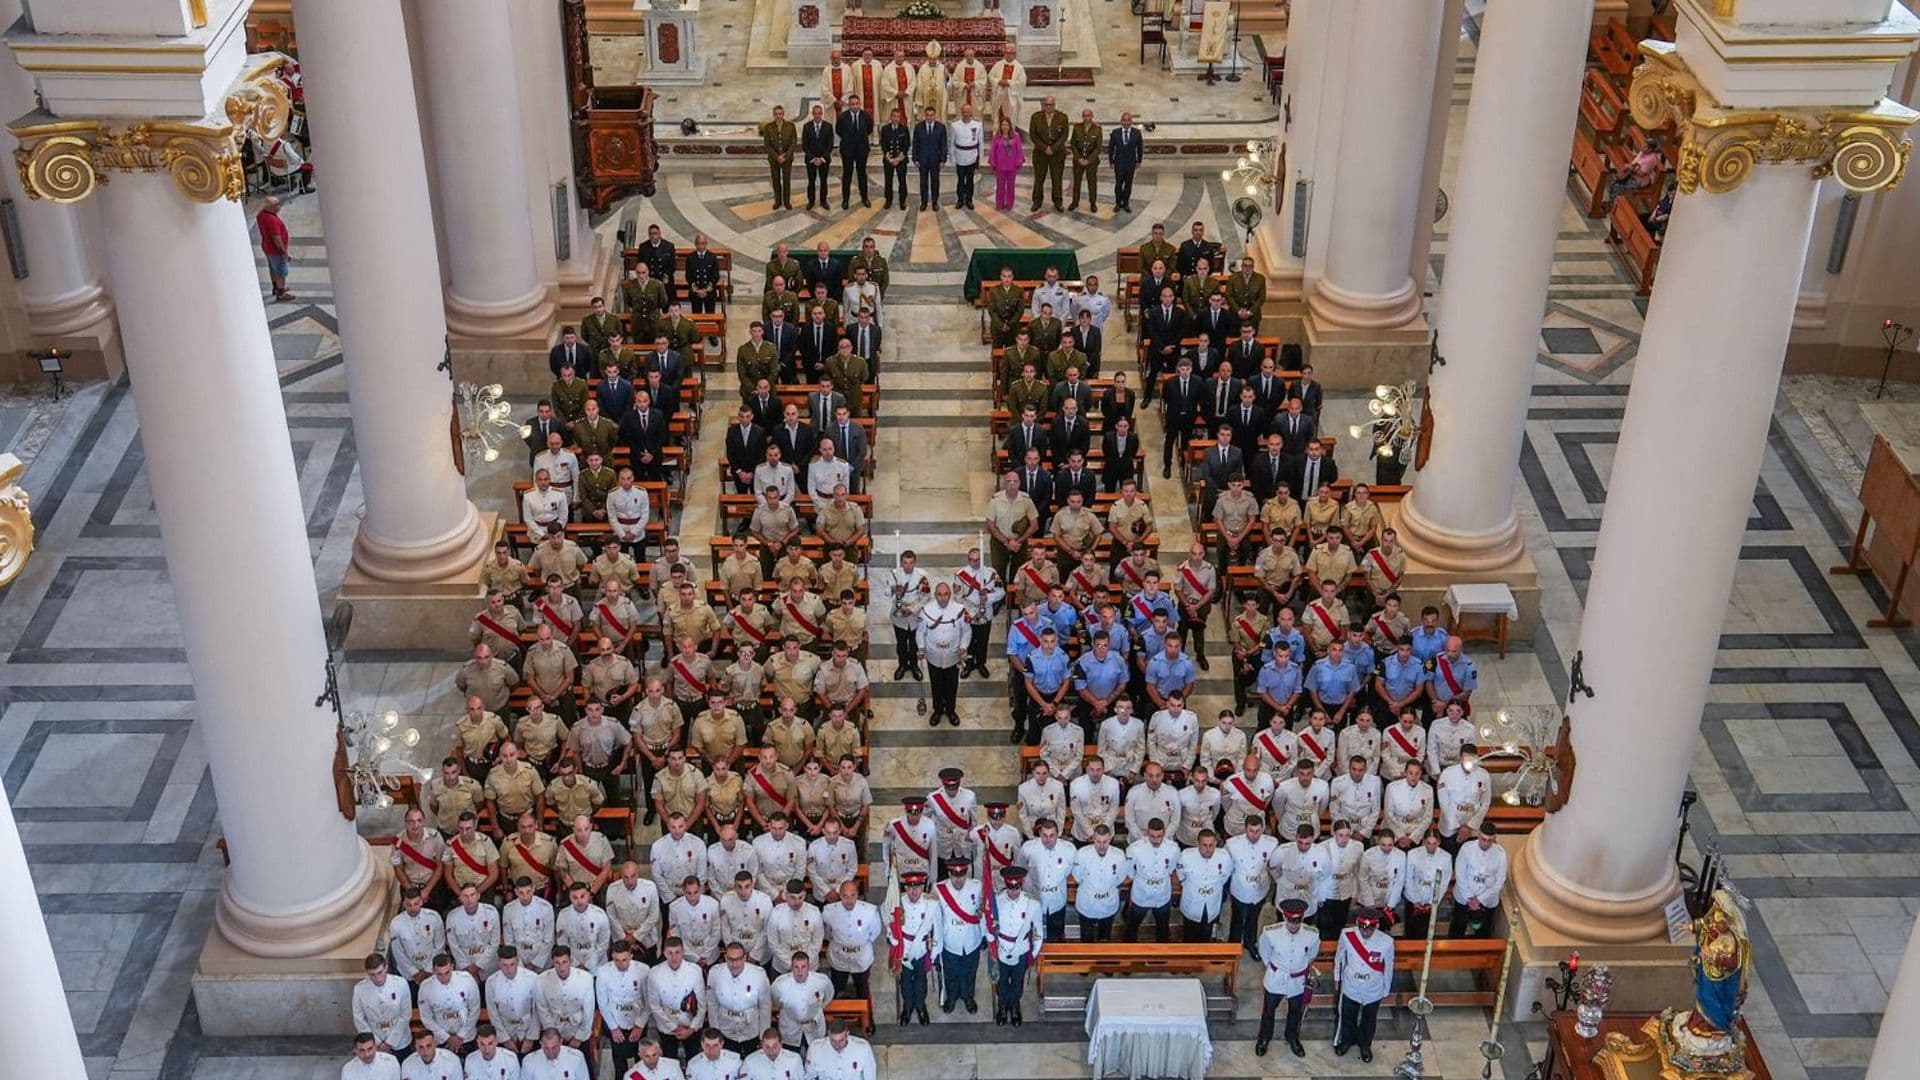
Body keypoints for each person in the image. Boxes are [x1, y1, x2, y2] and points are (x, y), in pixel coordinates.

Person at [1255, 898, 1318, 1058]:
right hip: (1276, 978)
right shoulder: (1270, 932)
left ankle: (1292, 1038)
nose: (1293, 925)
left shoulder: (1312, 934)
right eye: (1290, 920)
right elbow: (1264, 952)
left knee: (1295, 1011)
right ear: (1284, 917)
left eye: (1297, 921)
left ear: (1302, 918)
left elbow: (1311, 955)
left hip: (1297, 980)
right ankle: (1264, 1038)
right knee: (1268, 1011)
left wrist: (1299, 967)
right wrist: (1275, 968)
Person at [1332, 907, 1394, 1062]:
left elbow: (1389, 967)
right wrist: (1337, 978)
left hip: (1373, 987)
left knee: (1369, 1019)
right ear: (1357, 923)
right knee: (1348, 1016)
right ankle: (1347, 1040)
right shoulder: (1347, 935)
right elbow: (1339, 957)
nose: (1365, 932)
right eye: (1362, 927)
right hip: (1350, 984)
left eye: (1370, 928)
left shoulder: (1386, 942)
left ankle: (1365, 1044)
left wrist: (1386, 989)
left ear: (1376, 926)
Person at [986, 865, 1044, 1025]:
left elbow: (1038, 931)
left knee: (1017, 982)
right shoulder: (996, 900)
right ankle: (1002, 1006)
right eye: (1010, 887)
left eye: (1017, 887)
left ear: (1022, 884)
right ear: (1005, 884)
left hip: (1022, 949)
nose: (1013, 891)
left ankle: (1015, 1006)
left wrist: (1033, 953)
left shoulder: (1032, 904)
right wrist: (991, 943)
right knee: (1002, 982)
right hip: (1001, 949)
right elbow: (988, 923)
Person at [1027, 97, 1068, 212]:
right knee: (1039, 179)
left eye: (1051, 105)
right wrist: (1045, 148)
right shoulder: (1035, 117)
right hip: (1040, 153)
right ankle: (1037, 201)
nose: (1049, 107)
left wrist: (1053, 148)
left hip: (1057, 153)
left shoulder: (1062, 117)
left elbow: (1064, 136)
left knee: (1057, 178)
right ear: (1043, 105)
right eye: (1046, 104)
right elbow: (1033, 135)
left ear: (1055, 105)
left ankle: (1058, 201)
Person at [835, 94, 874, 209]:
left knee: (862, 174)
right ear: (849, 105)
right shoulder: (843, 117)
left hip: (862, 150)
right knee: (847, 175)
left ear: (859, 104)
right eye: (852, 104)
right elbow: (839, 130)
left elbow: (869, 129)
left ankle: (864, 198)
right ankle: (845, 200)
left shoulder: (866, 116)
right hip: (847, 151)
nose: (855, 106)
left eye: (856, 104)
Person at [910, 105, 947, 212]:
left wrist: (943, 160)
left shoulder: (941, 127)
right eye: (927, 115)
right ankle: (924, 202)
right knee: (923, 182)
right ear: (924, 115)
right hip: (923, 160)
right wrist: (915, 159)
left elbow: (943, 145)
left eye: (931, 115)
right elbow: (915, 144)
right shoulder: (918, 127)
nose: (929, 117)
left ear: (934, 115)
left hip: (936, 160)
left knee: (935, 182)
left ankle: (935, 203)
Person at [256, 195, 292, 301]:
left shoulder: (261, 214)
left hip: (267, 247)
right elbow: (276, 238)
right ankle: (281, 293)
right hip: (276, 251)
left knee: (273, 268)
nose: (279, 206)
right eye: (277, 204)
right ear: (272, 207)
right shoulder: (272, 220)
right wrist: (284, 252)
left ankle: (276, 287)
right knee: (281, 272)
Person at [1106, 111, 1143, 212]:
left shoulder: (1137, 133)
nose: (1126, 122)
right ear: (1121, 121)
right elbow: (1111, 148)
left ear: (1131, 121)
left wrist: (1139, 161)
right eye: (1124, 120)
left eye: (1128, 120)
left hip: (1131, 163)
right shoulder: (1115, 132)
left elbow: (1140, 148)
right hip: (1119, 163)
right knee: (1118, 184)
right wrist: (1111, 161)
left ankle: (1126, 203)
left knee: (1128, 184)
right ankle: (1118, 203)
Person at [801, 104, 834, 211]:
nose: (817, 116)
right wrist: (813, 158)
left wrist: (822, 158)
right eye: (815, 113)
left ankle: (823, 201)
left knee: (823, 181)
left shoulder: (828, 126)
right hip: (811, 160)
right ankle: (811, 202)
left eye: (819, 113)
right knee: (811, 182)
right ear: (813, 114)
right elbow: (805, 146)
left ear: (822, 114)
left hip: (824, 160)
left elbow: (830, 145)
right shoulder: (807, 127)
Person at [987, 116, 1025, 212]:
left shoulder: (1016, 136)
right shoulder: (996, 137)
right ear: (1001, 126)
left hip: (1012, 166)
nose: (1005, 127)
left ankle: (1009, 204)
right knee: (1000, 186)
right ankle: (999, 204)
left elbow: (1019, 149)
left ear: (1010, 126)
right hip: (1000, 165)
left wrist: (1019, 161)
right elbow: (992, 151)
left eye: (1007, 125)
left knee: (1011, 187)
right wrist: (993, 162)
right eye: (1003, 125)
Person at [1068, 108, 1101, 212]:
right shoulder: (1077, 127)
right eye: (1084, 116)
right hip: (1078, 161)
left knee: (1092, 183)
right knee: (1076, 182)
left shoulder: (1097, 129)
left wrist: (1089, 160)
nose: (1086, 118)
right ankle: (1075, 202)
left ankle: (1093, 203)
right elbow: (1073, 144)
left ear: (1092, 116)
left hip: (1091, 162)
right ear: (1082, 117)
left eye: (1088, 116)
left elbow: (1098, 148)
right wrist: (1079, 158)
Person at [879, 105, 911, 209]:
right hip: (889, 160)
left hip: (901, 160)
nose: (896, 118)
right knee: (888, 181)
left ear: (900, 118)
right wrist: (890, 159)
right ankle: (888, 200)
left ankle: (902, 201)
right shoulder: (885, 129)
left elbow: (907, 145)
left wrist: (898, 159)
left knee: (902, 181)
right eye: (894, 116)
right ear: (890, 117)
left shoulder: (904, 129)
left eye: (898, 116)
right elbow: (883, 145)